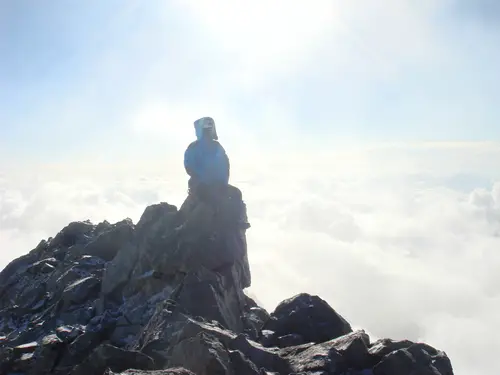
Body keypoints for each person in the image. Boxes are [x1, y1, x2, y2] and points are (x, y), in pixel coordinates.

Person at [184, 117, 231, 205]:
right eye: (206, 131)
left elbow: (225, 166)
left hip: (215, 186)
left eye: (208, 130)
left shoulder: (216, 147)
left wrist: (220, 183)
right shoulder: (195, 147)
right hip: (202, 187)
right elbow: (189, 167)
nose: (207, 133)